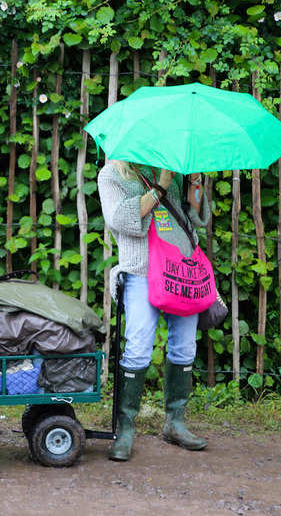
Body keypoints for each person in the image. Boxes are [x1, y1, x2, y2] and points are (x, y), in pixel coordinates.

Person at [98, 159, 210, 461]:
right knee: (137, 349)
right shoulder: (112, 175)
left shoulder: (173, 171)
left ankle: (175, 424)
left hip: (182, 273)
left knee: (185, 347)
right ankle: (126, 430)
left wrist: (194, 182)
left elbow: (198, 217)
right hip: (142, 272)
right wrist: (160, 184)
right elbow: (121, 219)